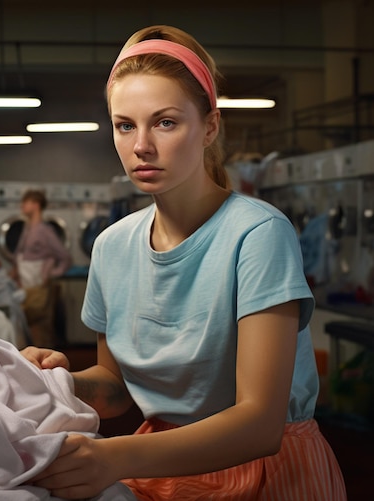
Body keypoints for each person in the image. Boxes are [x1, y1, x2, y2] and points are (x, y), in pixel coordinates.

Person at [20, 25, 347, 500]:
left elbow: (260, 425)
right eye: (125, 125)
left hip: (268, 473)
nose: (141, 146)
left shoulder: (257, 234)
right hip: (165, 464)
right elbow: (116, 386)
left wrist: (113, 457)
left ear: (209, 127)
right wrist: (53, 382)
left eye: (166, 122)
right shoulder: (112, 247)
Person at [12, 188, 72, 348]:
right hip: (26, 286)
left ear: (36, 205)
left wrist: (50, 273)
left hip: (39, 287)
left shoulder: (45, 231)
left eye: (26, 202)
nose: (22, 206)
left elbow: (65, 258)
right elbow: (20, 255)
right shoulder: (27, 229)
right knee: (28, 331)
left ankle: (46, 370)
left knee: (41, 332)